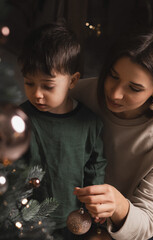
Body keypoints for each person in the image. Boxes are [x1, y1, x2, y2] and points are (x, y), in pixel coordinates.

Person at [71, 28, 153, 240]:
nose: (115, 93)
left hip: (151, 226)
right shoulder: (80, 94)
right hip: (86, 214)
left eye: (134, 88)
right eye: (113, 76)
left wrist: (118, 205)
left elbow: (148, 221)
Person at [18, 23, 107, 239]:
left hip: (75, 217)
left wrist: (96, 203)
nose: (37, 94)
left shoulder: (89, 123)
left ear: (73, 81)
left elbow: (95, 166)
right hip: (28, 218)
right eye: (29, 83)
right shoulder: (21, 118)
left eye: (47, 86)